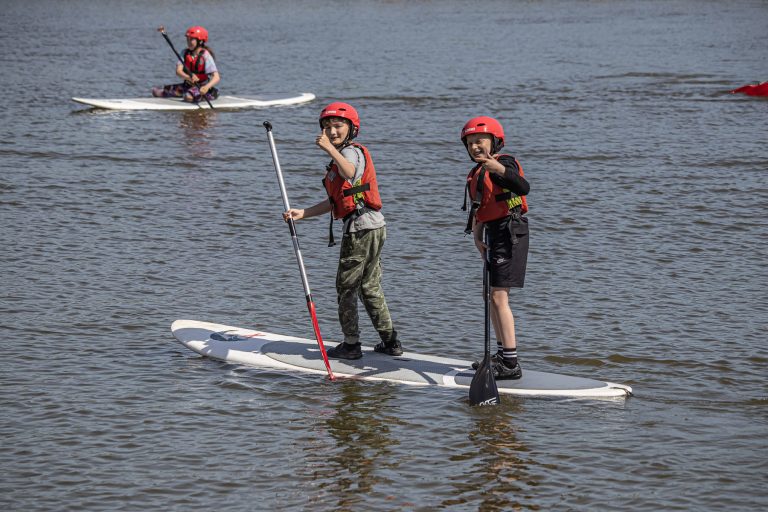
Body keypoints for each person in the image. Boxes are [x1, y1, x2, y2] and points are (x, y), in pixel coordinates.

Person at [282, 102, 403, 360]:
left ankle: (351, 345)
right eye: (327, 127)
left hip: (360, 230)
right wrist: (303, 213)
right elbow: (339, 201)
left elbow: (349, 173)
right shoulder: (343, 155)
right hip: (373, 226)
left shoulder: (349, 154)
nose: (332, 131)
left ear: (352, 129)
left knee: (345, 287)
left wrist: (329, 149)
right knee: (369, 286)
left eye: (338, 126)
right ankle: (390, 341)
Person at [462, 116, 530, 380]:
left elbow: (523, 187)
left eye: (480, 141)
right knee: (489, 296)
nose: (476, 147)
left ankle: (511, 363)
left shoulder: (504, 163)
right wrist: (477, 236)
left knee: (500, 297)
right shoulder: (478, 172)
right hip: (492, 232)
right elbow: (480, 209)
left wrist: (498, 169)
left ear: (495, 141)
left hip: (510, 231)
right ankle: (501, 355)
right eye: (470, 143)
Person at [152, 26, 220, 103]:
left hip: (201, 87)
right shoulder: (184, 52)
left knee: (188, 97)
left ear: (200, 41)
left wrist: (206, 87)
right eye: (187, 39)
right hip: (187, 86)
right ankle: (186, 93)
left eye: (191, 39)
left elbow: (216, 77)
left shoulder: (206, 55)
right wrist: (188, 77)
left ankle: (211, 93)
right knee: (157, 92)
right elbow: (178, 71)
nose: (188, 42)